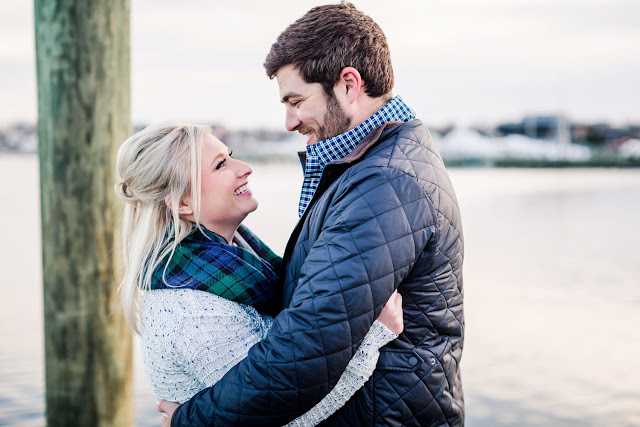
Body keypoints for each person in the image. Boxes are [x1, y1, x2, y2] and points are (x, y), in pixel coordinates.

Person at [164, 2, 464, 425]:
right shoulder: (369, 165)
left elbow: (307, 349)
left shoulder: (385, 183)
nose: (288, 122)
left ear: (348, 84)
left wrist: (192, 420)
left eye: (296, 100)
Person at [114, 123, 404, 426]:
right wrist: (374, 336)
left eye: (230, 156)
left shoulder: (237, 260)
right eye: (220, 165)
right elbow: (284, 416)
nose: (246, 168)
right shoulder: (191, 311)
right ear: (183, 203)